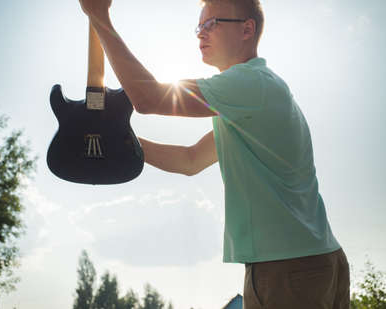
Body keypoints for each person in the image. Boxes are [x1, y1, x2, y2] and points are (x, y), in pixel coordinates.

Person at [78, 0, 350, 308]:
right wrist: (118, 139)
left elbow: (148, 98)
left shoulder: (250, 84)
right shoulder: (250, 97)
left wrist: (99, 16)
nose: (200, 34)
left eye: (212, 24)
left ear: (247, 29)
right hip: (315, 261)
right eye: (199, 27)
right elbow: (190, 160)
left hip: (286, 268)